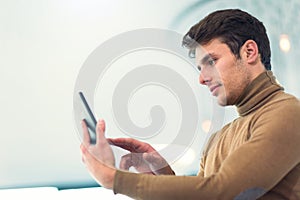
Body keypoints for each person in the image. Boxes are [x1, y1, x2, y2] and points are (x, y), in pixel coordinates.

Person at [80, 9, 300, 199]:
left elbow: (222, 192)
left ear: (249, 52)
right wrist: (162, 173)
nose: (202, 79)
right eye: (199, 68)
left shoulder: (289, 114)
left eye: (211, 62)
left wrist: (114, 179)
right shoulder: (218, 138)